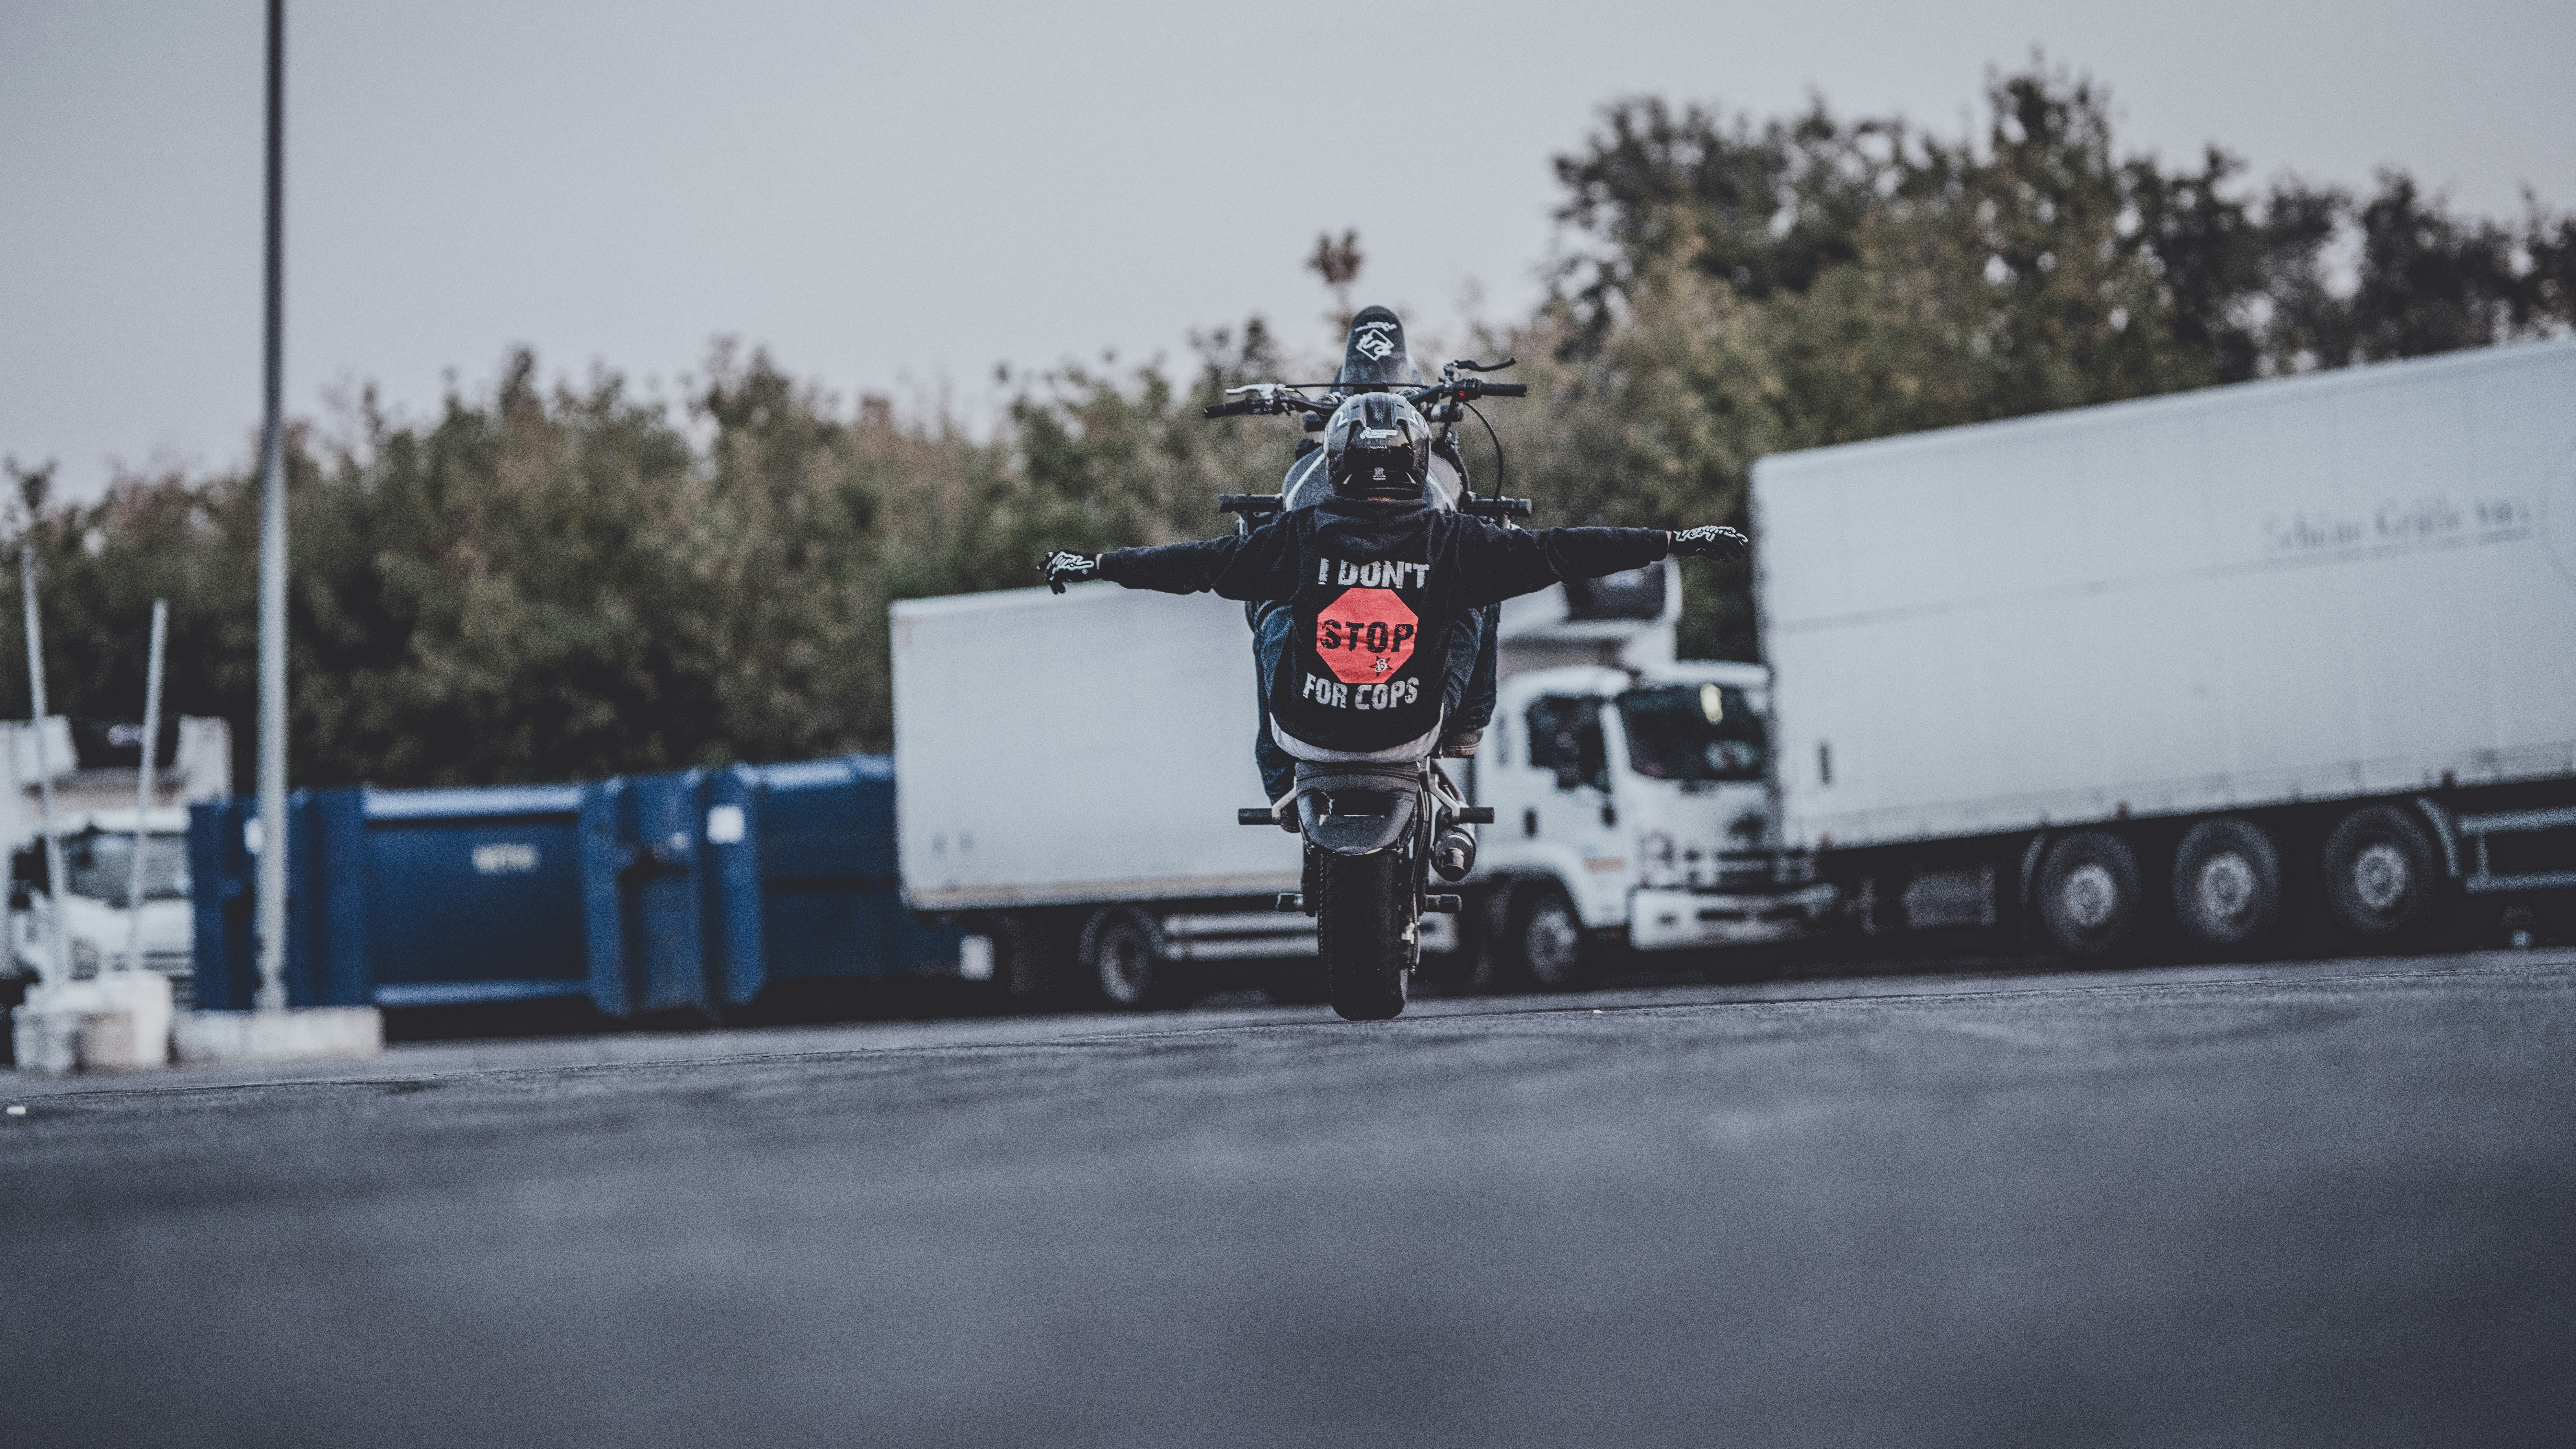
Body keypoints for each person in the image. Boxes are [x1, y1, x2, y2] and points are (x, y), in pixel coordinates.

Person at [1037, 387, 1748, 814]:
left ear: (1336, 464)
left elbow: (1193, 565)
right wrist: (1673, 539)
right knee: (1480, 597)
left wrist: (1100, 562)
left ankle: (1280, 779)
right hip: (1415, 727)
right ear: (1416, 463)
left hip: (1305, 728)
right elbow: (1567, 550)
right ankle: (1469, 724)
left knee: (1269, 611)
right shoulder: (1454, 540)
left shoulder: (1297, 535)